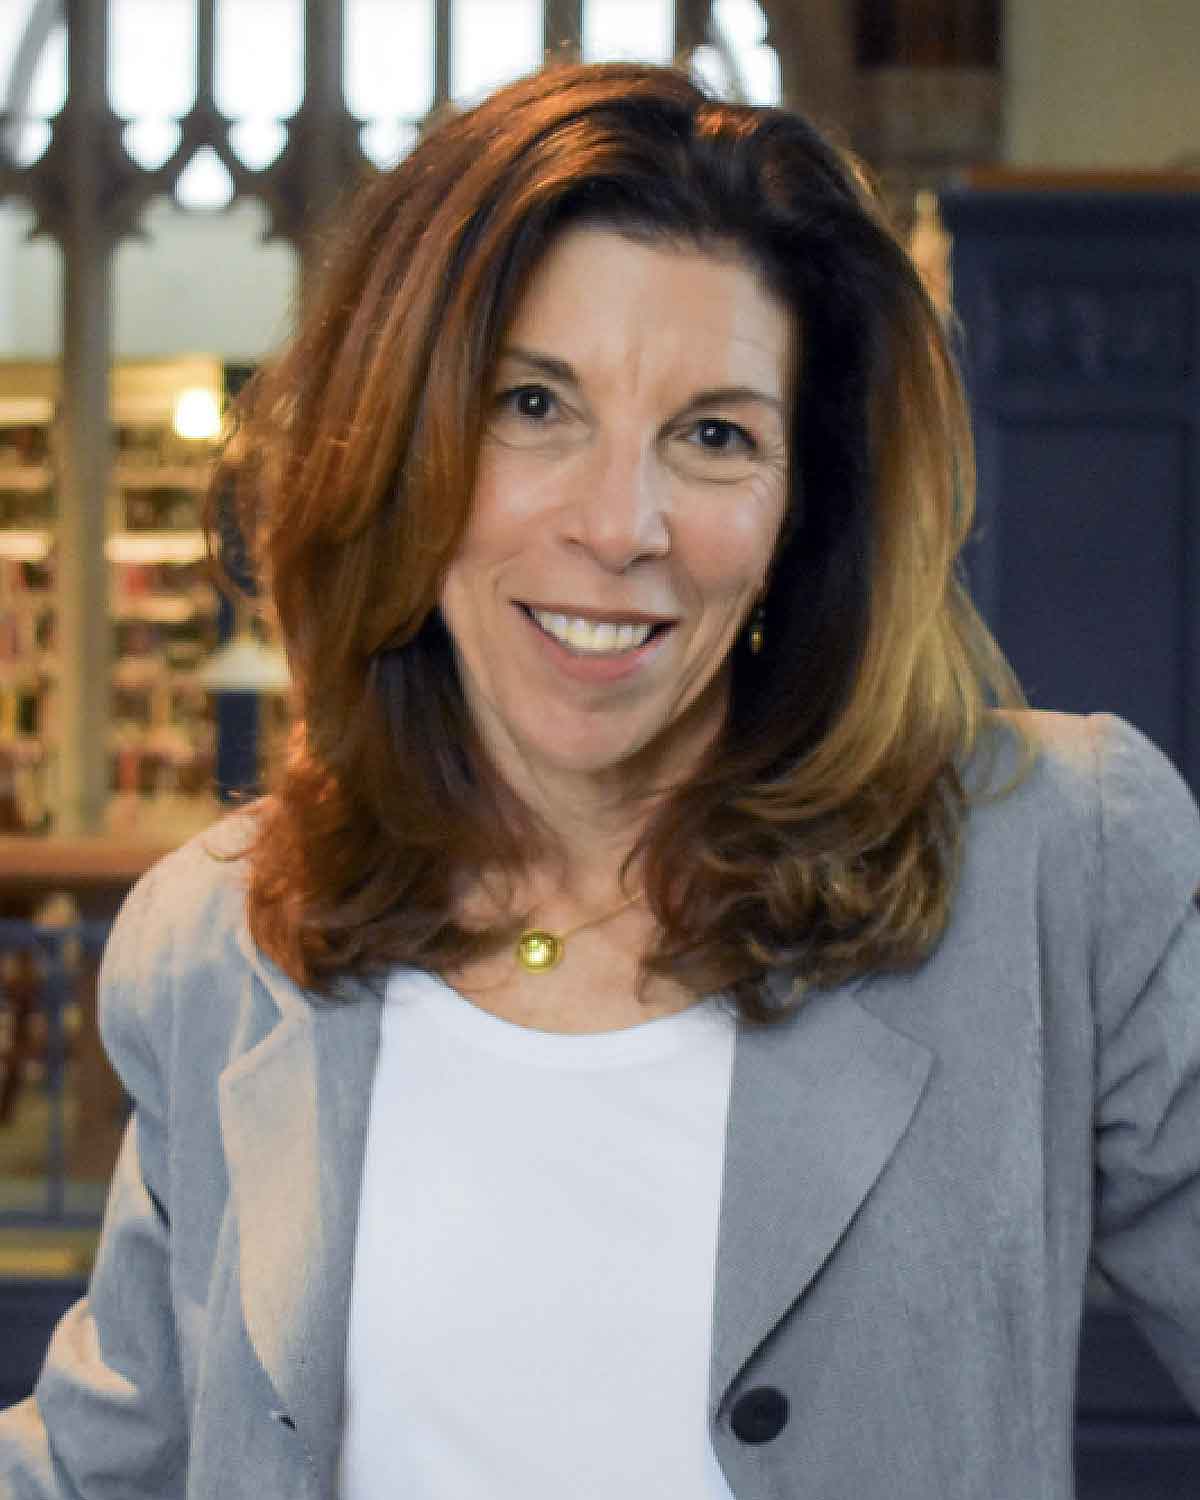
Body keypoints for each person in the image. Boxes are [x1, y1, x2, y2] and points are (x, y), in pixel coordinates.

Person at [2, 59, 1199, 1500]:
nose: (621, 524)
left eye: (713, 436)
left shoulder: (1057, 864)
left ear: (796, 510)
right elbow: (104, 1462)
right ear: (398, 445)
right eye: (531, 405)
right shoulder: (219, 940)